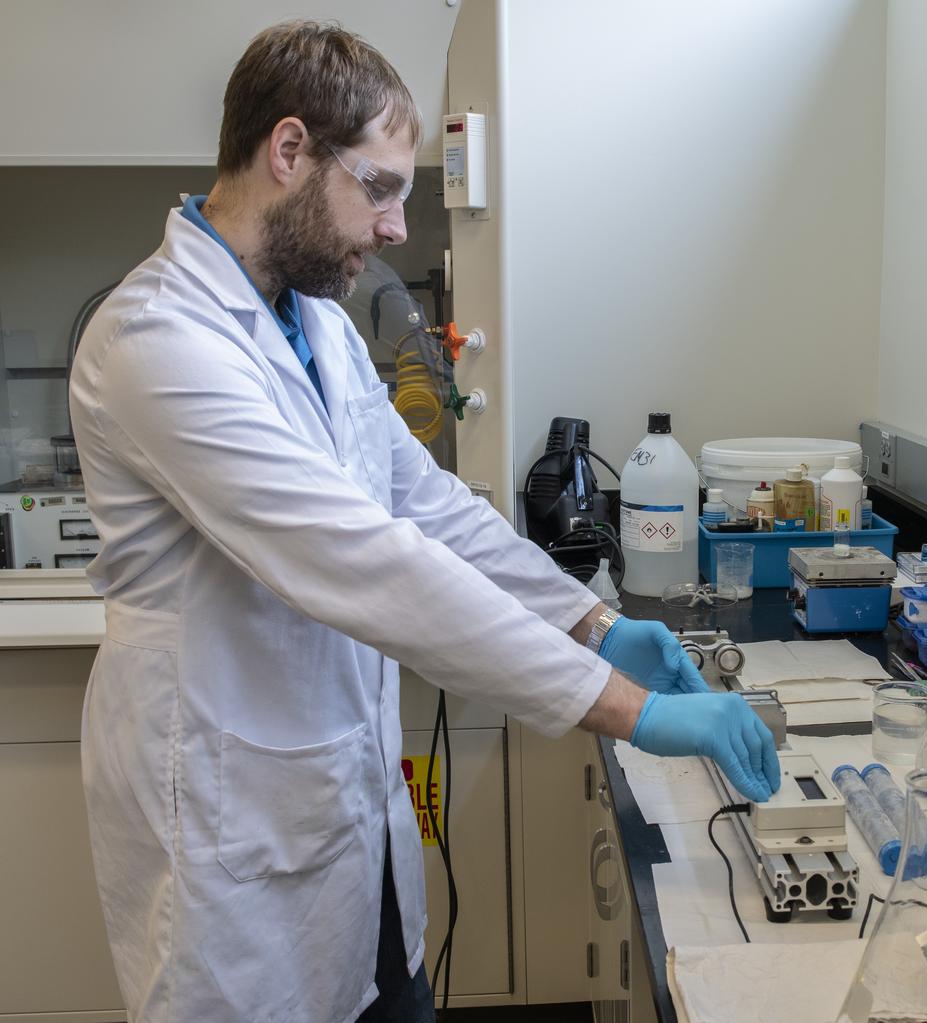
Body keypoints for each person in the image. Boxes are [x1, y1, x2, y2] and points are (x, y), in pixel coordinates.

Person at [69, 20, 779, 1023]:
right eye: (383, 187)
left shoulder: (311, 319)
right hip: (233, 839)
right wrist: (630, 709)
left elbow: (420, 502)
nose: (399, 227)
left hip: (346, 821)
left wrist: (593, 624)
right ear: (288, 152)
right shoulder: (157, 340)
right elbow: (358, 559)